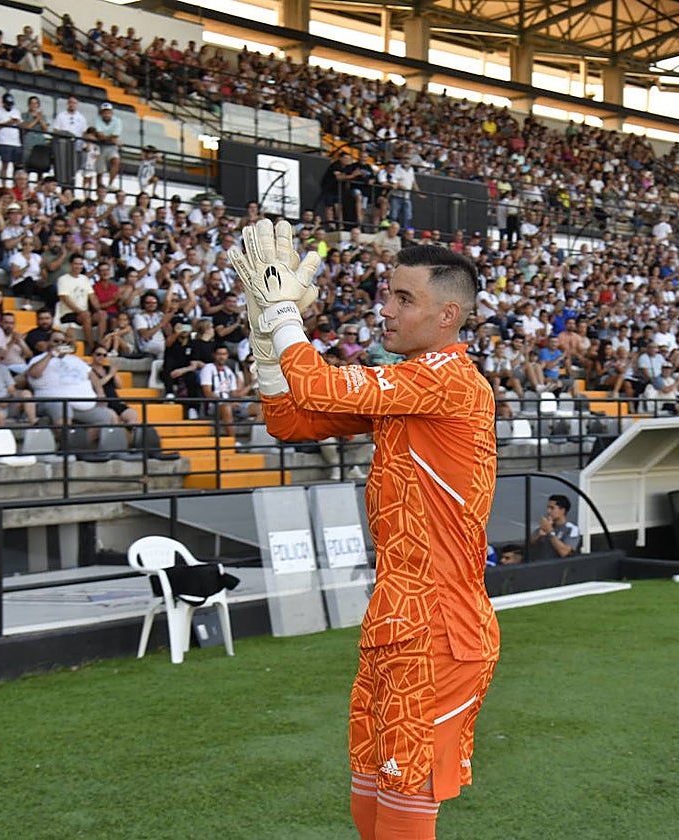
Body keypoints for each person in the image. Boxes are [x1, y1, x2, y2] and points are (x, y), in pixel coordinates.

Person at [230, 222, 498, 838]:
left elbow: (320, 383)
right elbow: (292, 421)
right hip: (397, 617)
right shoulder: (409, 388)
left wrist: (281, 314)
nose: (387, 310)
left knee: (403, 809)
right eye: (388, 295)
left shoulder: (449, 380)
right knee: (370, 802)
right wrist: (264, 333)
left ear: (448, 315)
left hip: (437, 627)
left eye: (405, 299)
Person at [25, 329, 117, 426]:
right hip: (55, 402)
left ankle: (83, 441)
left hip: (85, 404)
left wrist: (100, 393)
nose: (60, 344)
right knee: (64, 411)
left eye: (63, 342)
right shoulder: (39, 359)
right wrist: (50, 355)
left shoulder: (75, 359)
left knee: (109, 416)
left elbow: (91, 374)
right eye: (56, 341)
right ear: (48, 342)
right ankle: (65, 440)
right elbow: (33, 374)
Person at [528, 494, 582, 561]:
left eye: (552, 508)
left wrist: (550, 532)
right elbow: (528, 545)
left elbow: (565, 552)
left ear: (562, 510)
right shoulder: (545, 526)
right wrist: (538, 535)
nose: (548, 511)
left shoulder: (572, 529)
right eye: (548, 508)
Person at [93, 102, 122, 189]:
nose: (106, 114)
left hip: (111, 147)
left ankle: (110, 184)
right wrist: (112, 139)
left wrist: (105, 138)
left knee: (116, 161)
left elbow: (115, 135)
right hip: (100, 147)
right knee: (100, 171)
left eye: (108, 112)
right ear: (101, 113)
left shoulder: (117, 120)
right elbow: (100, 136)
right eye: (104, 112)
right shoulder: (97, 119)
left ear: (111, 113)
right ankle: (99, 187)